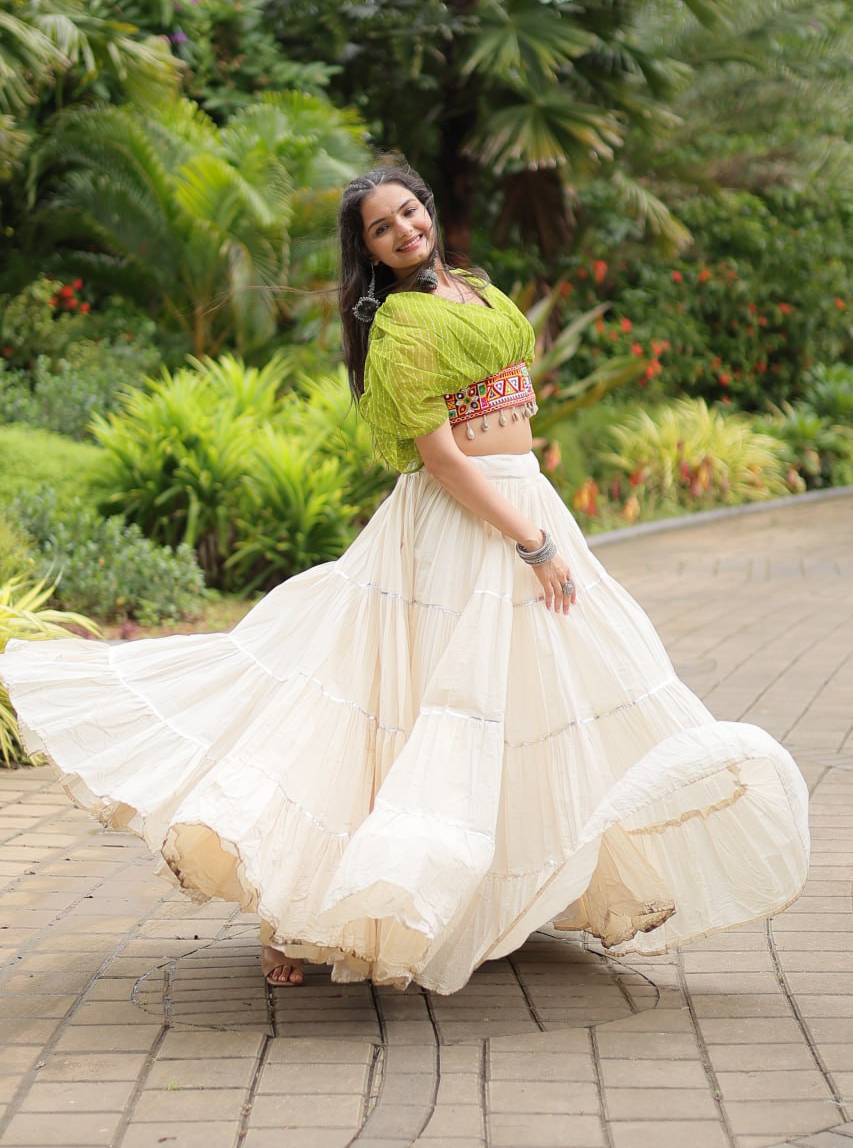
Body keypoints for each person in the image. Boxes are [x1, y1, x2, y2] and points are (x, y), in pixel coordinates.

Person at [1, 163, 809, 996]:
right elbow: (442, 458)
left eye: (409, 211)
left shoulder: (475, 289)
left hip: (525, 500)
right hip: (468, 524)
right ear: (368, 251)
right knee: (410, 708)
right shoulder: (399, 327)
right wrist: (531, 540)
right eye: (381, 229)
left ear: (429, 210)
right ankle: (309, 910)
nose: (403, 230)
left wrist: (534, 515)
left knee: (539, 697)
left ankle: (484, 896)